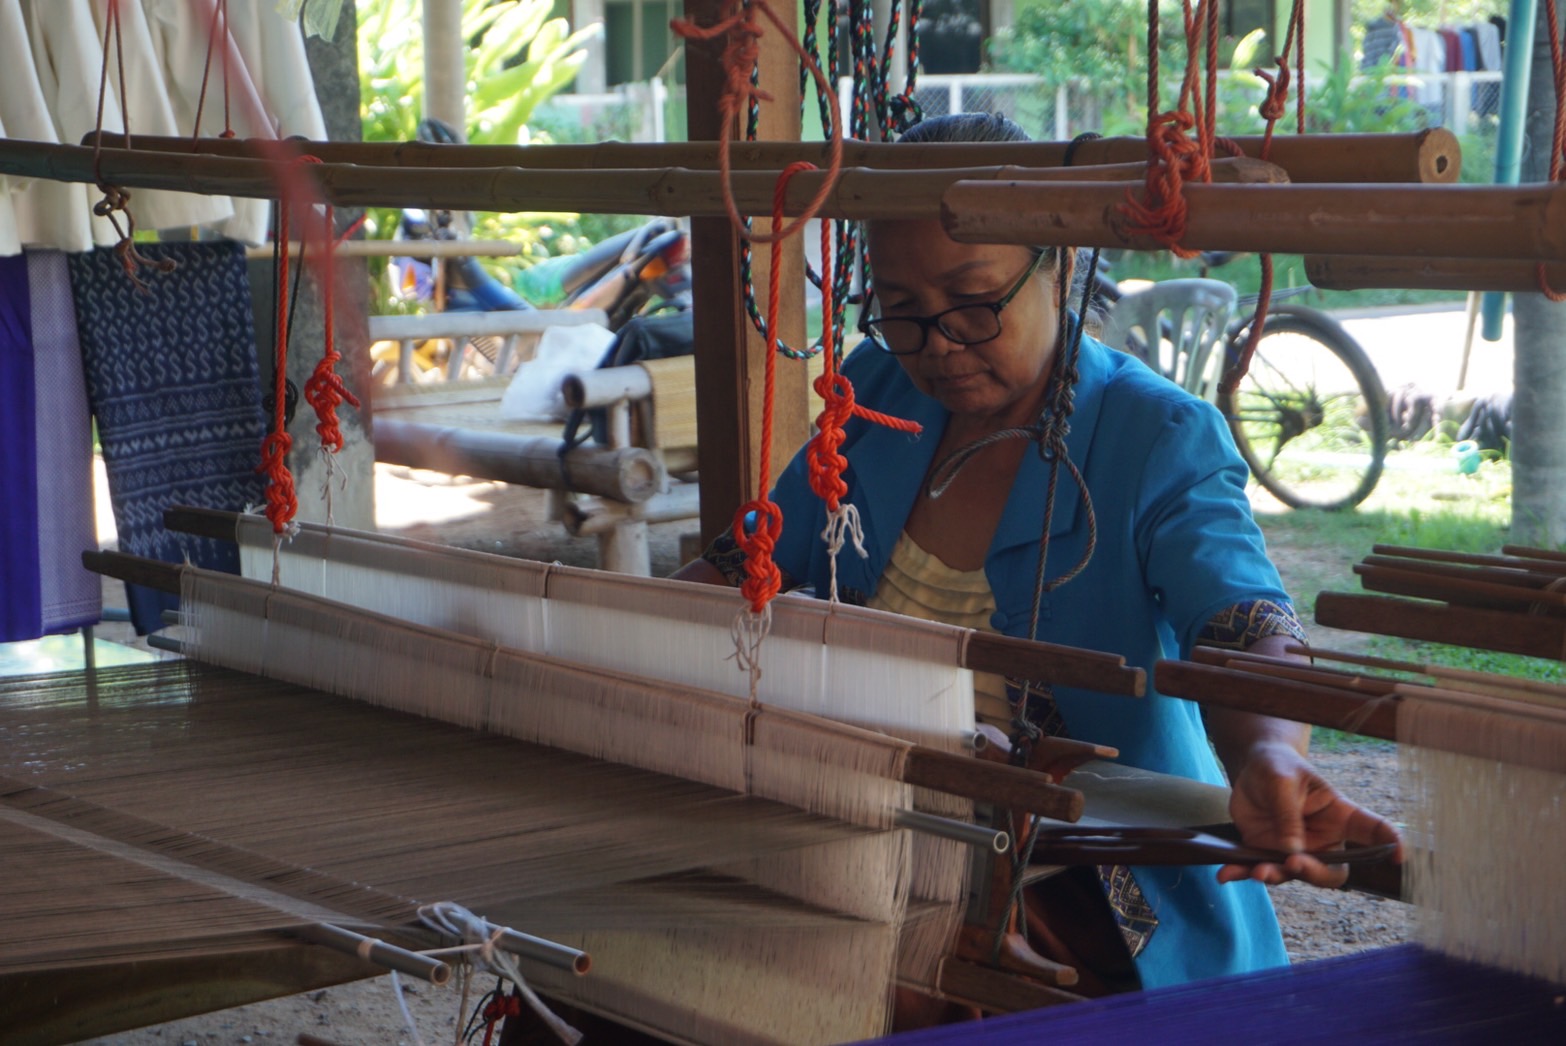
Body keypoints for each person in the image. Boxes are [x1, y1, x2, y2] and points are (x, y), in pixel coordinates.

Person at [673, 113, 1401, 995]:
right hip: (869, 849)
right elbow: (755, 558)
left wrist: (1269, 758)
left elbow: (1241, 623)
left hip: (1079, 890)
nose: (937, 346)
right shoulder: (875, 385)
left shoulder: (1153, 433)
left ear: (1059, 266)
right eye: (902, 312)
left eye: (974, 304)